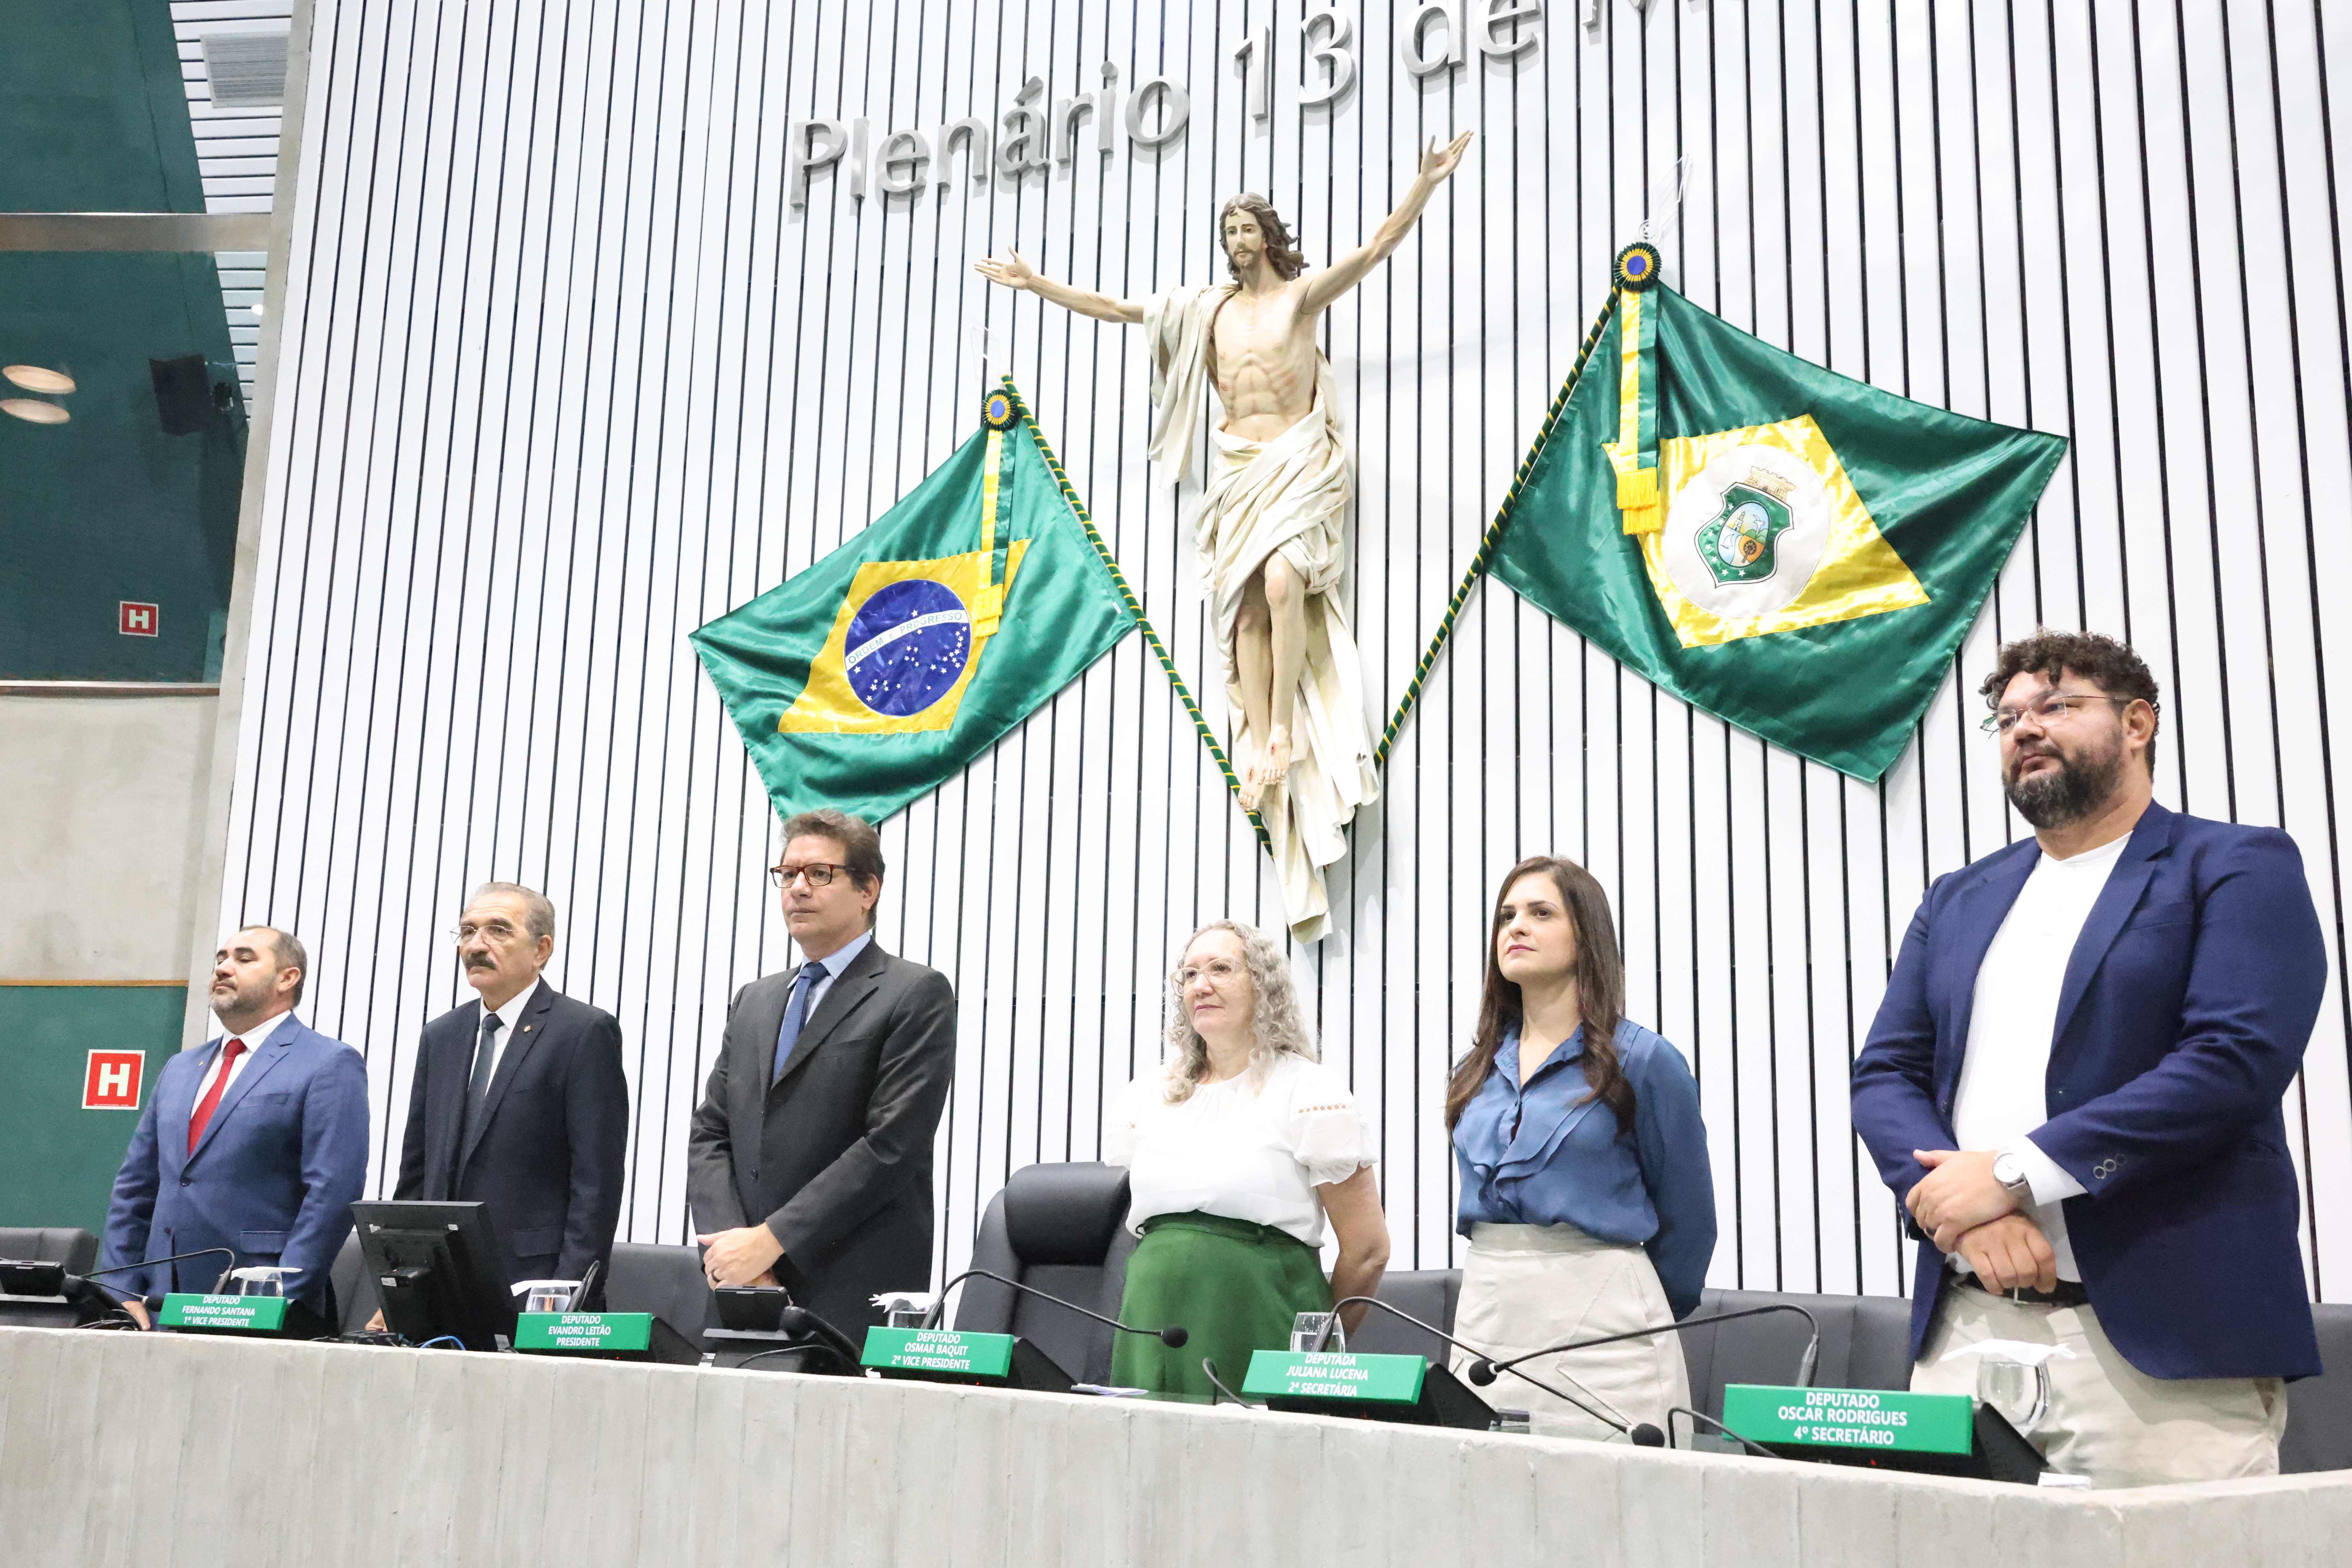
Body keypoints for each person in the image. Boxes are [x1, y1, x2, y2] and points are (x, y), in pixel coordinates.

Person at [1851, 629, 2326, 1487]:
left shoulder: (2233, 864)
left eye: (2059, 706)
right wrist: (1968, 1211)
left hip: (2159, 1354)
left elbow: (2233, 1060)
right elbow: (1885, 1073)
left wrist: (2015, 1172)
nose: (2026, 728)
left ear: (2138, 722)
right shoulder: (1959, 898)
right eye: (2007, 717)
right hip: (1965, 1329)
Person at [973, 134, 1474, 943]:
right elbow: (1118, 310)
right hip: (1239, 467)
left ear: (1269, 238)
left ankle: (1281, 731)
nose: (1239, 244)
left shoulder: (1301, 298)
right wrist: (1037, 285)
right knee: (1244, 610)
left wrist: (1422, 183)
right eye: (1228, 233)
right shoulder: (1203, 311)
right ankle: (1257, 735)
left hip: (1299, 459)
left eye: (1248, 231)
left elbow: (1378, 248)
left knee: (1286, 584)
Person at [1445, 858, 1716, 1441]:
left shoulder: (1645, 1060)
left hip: (1607, 1332)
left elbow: (1690, 1226)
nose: (1516, 927)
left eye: (1541, 913)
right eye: (1506, 916)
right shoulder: (1475, 1071)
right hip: (1486, 1320)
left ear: (1586, 934)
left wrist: (1623, 1307)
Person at [687, 809, 956, 1334]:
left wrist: (772, 1239)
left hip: (849, 1280)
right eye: (787, 874)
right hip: (740, 1282)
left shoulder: (914, 993)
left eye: (820, 873)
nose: (798, 888)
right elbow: (711, 1132)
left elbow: (891, 1145)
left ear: (868, 890)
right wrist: (733, 1247)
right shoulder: (755, 1000)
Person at [1102, 920, 1388, 1398]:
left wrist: (1313, 1350)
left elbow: (1368, 1249)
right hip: (1151, 1319)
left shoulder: (1309, 1090)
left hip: (1259, 1316)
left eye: (1221, 968)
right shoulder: (1149, 1095)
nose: (1201, 984)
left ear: (1265, 986)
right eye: (1189, 974)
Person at [100, 927, 368, 1333]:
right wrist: (119, 1287)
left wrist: (279, 1296)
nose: (224, 967)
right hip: (158, 1306)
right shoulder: (179, 1068)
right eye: (221, 958)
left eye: (244, 958)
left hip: (262, 1304)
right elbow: (135, 1185)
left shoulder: (328, 1062)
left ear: (287, 978)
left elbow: (332, 1192)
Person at [388, 882, 628, 1306]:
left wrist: (567, 1294)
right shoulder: (441, 1036)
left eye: (497, 930)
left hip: (536, 1287)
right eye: (467, 931)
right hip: (439, 1284)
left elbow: (596, 1184)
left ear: (541, 949)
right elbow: (416, 1172)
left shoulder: (583, 1032)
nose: (476, 945)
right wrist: (399, 1283)